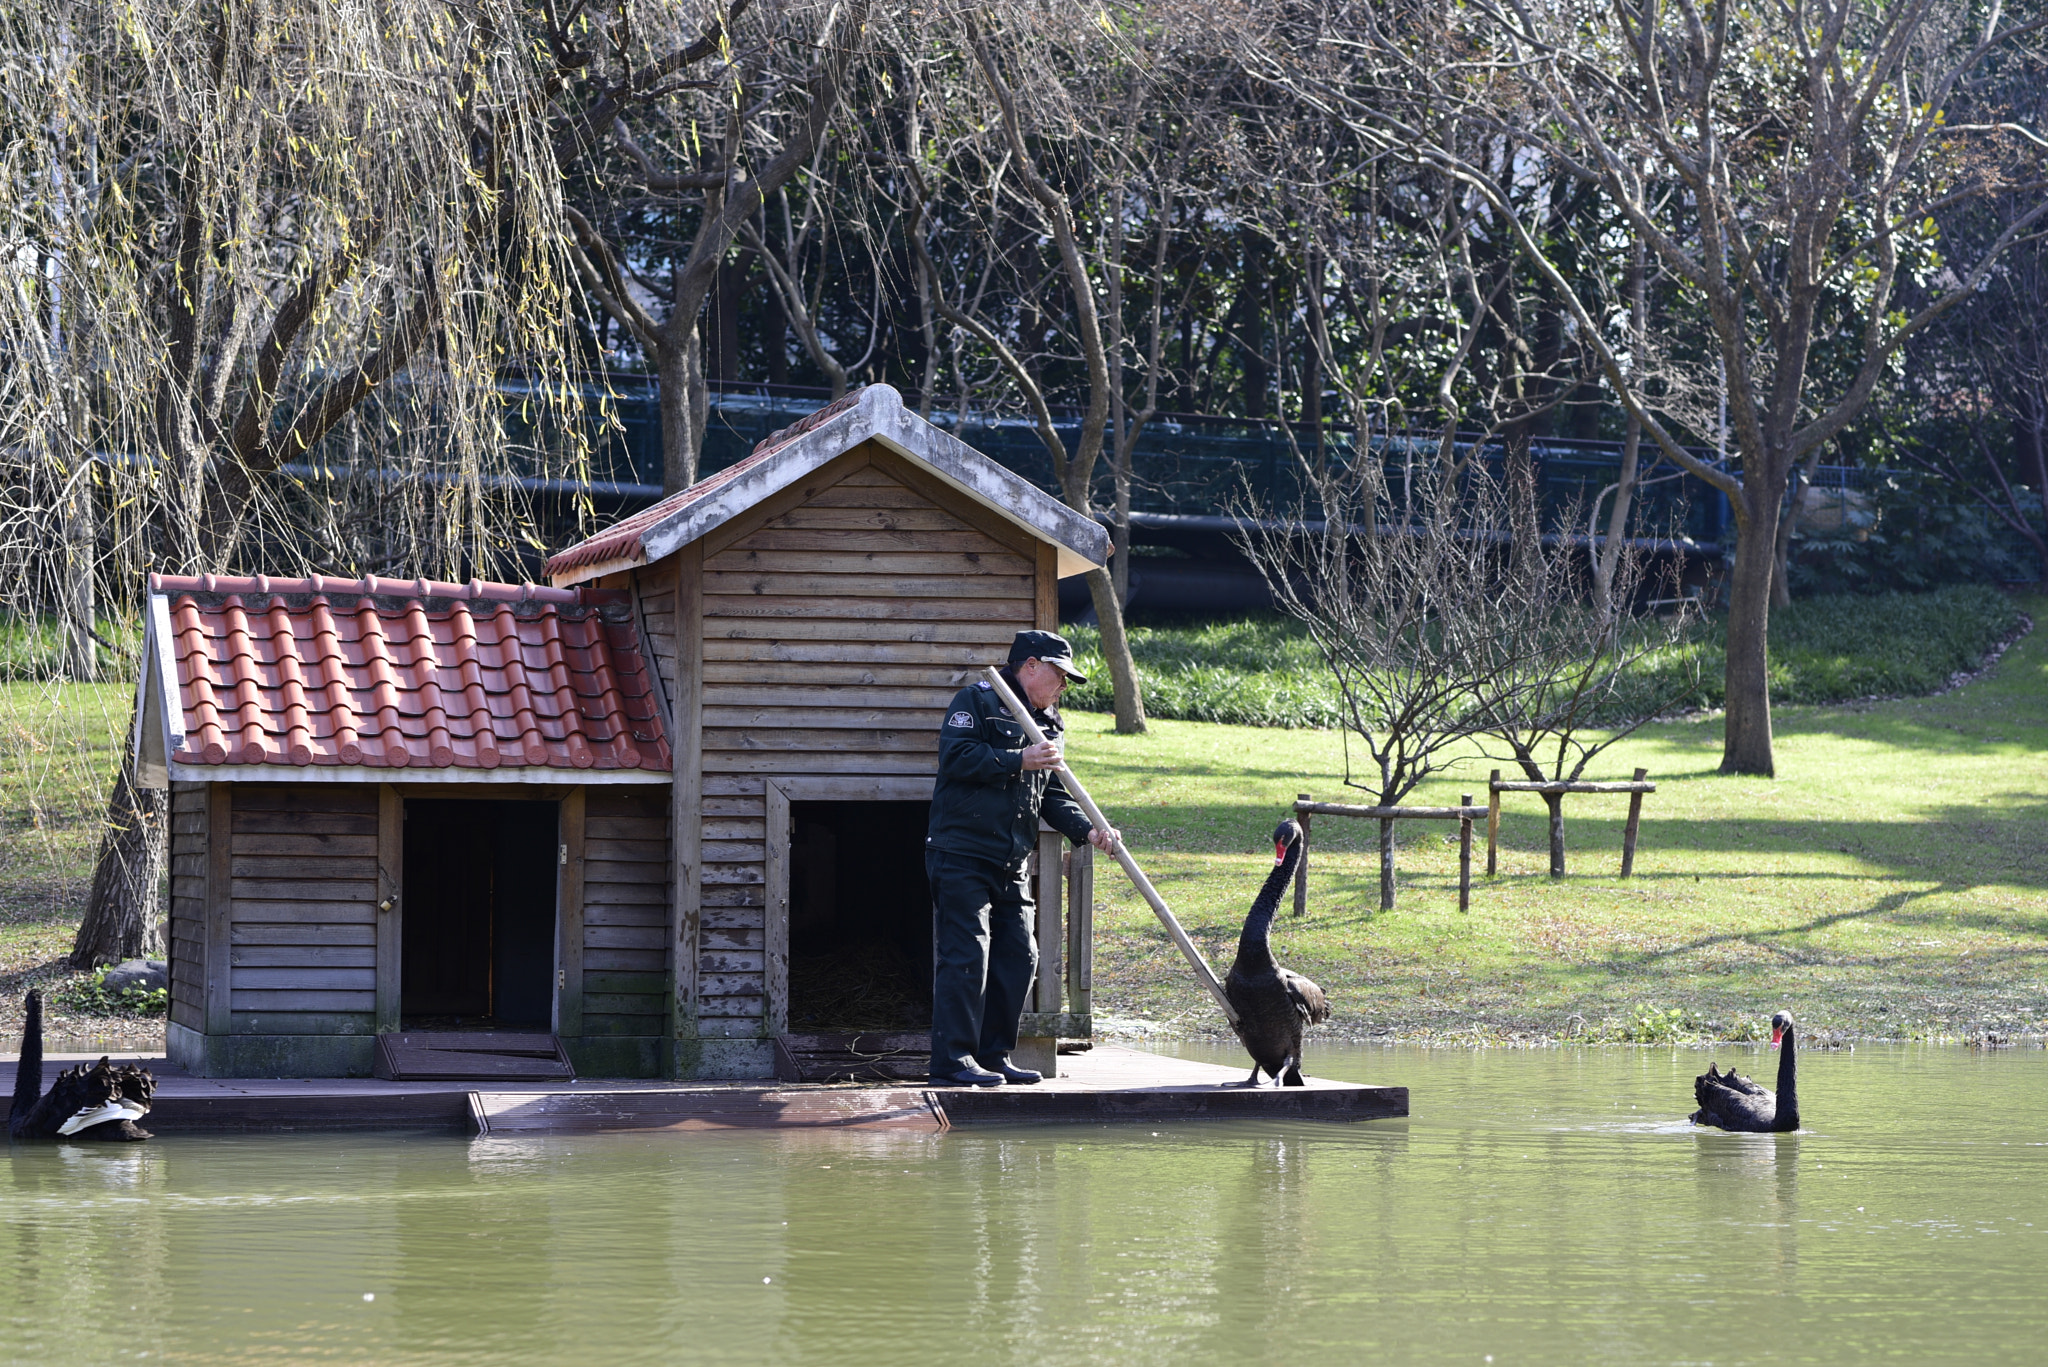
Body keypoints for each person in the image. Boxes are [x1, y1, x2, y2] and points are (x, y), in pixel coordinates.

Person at [925, 630, 1120, 1087]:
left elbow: (1052, 791)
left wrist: (1088, 830)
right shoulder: (975, 701)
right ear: (1030, 666)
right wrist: (1019, 759)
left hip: (1011, 859)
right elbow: (955, 757)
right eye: (1059, 675)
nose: (1063, 687)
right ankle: (951, 1061)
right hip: (961, 853)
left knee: (1021, 956)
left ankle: (994, 1056)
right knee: (968, 953)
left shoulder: (1049, 722)